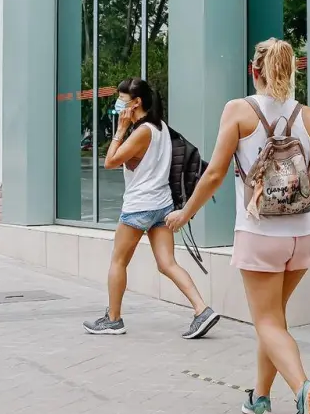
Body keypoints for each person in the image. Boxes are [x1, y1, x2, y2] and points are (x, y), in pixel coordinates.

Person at [167, 38, 310, 414]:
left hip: (261, 234)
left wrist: (186, 212)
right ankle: (259, 398)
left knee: (268, 322)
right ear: (291, 72)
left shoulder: (239, 111)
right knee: (272, 319)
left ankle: (304, 389)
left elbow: (215, 173)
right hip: (306, 233)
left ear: (253, 70)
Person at [82, 77, 220, 340]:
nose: (119, 105)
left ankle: (113, 320)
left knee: (118, 260)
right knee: (167, 263)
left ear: (137, 103)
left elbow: (110, 161)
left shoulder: (142, 132)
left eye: (123, 100)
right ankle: (202, 310)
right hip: (162, 205)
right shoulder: (162, 129)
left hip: (139, 207)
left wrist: (121, 130)